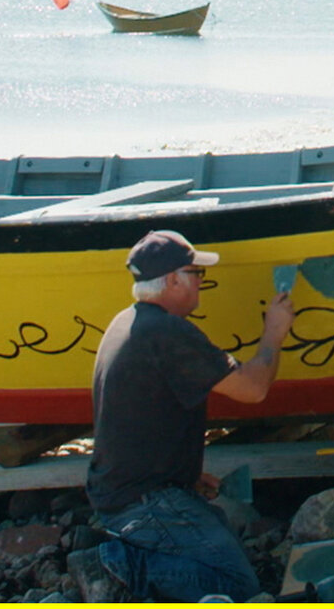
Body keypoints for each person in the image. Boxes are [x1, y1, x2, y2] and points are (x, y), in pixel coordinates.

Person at [87, 230, 295, 602]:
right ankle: (116, 563)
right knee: (236, 586)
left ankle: (133, 555)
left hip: (125, 492)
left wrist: (184, 471)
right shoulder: (167, 332)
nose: (201, 283)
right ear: (172, 281)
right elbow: (253, 389)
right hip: (145, 502)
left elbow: (134, 417)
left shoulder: (128, 322)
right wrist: (273, 334)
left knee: (217, 531)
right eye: (196, 274)